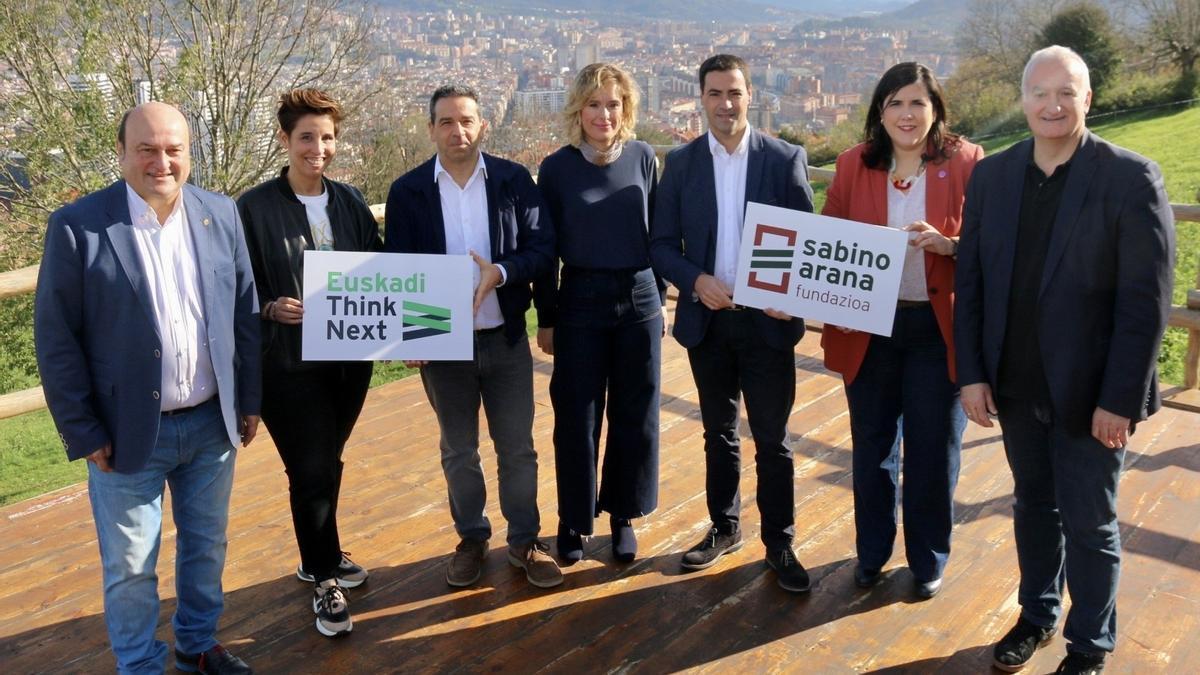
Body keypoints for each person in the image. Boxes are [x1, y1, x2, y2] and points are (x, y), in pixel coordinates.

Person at [955, 46, 1174, 675]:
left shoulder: (1131, 178)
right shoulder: (993, 177)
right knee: (1032, 507)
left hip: (1092, 396)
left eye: (1066, 92)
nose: (1052, 105)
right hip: (1015, 385)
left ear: (1088, 100)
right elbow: (970, 283)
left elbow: (1145, 304)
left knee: (1091, 523)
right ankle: (1037, 615)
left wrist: (1120, 400)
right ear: (1022, 98)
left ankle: (1089, 646)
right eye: (1040, 92)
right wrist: (972, 373)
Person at [34, 102, 260, 675]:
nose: (162, 161)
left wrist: (249, 401)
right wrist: (82, 429)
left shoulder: (221, 213)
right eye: (147, 149)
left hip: (211, 424)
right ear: (122, 154)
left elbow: (243, 315)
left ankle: (196, 645)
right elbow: (56, 339)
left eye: (173, 149)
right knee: (132, 565)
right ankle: (139, 665)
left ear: (189, 152)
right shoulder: (78, 226)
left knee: (207, 549)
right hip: (124, 432)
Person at [383, 84, 561, 589]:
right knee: (458, 450)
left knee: (517, 448)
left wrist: (501, 273)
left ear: (484, 124)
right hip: (442, 344)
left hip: (504, 338)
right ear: (431, 128)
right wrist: (410, 338)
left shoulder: (512, 181)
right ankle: (472, 538)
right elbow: (399, 269)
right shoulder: (408, 191)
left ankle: (525, 541)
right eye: (446, 122)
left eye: (466, 121)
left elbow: (544, 249)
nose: (457, 131)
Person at [649, 54, 815, 592]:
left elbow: (804, 243)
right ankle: (724, 527)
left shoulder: (785, 158)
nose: (725, 104)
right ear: (701, 98)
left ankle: (780, 542)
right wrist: (695, 281)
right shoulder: (681, 162)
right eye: (715, 93)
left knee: (773, 438)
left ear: (750, 96)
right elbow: (660, 246)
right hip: (709, 321)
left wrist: (787, 294)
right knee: (718, 433)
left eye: (735, 93)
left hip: (767, 324)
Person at [821, 62, 982, 600]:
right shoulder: (851, 165)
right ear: (879, 111)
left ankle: (928, 557)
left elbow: (992, 246)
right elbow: (828, 244)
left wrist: (950, 246)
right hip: (871, 328)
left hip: (937, 331)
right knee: (871, 448)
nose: (906, 114)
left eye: (917, 102)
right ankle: (872, 552)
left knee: (934, 451)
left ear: (935, 108)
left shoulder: (966, 162)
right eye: (895, 103)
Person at [237, 89, 380, 638]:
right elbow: (238, 286)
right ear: (284, 140)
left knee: (327, 461)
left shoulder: (350, 200)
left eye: (326, 137)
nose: (317, 147)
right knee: (312, 466)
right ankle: (324, 579)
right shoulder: (254, 207)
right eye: (306, 137)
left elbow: (379, 268)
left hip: (348, 361)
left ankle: (321, 553)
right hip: (287, 363)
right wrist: (272, 306)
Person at [535, 63, 663, 564]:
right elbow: (545, 251)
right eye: (594, 104)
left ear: (626, 108)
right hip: (580, 299)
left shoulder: (644, 157)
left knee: (635, 413)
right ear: (578, 110)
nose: (603, 114)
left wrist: (663, 298)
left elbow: (662, 235)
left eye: (613, 104)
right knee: (576, 417)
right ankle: (573, 518)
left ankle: (622, 515)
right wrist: (546, 316)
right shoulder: (558, 168)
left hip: (639, 297)